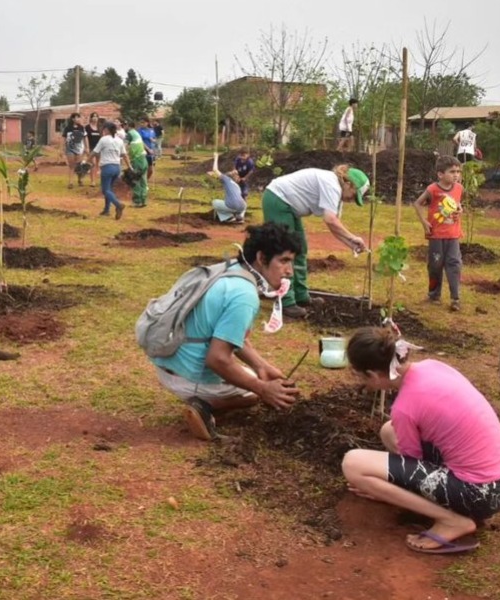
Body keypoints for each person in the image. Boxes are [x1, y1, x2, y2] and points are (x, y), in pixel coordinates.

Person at [341, 327, 500, 554]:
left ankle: (451, 520)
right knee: (389, 430)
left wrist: (381, 489)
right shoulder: (433, 366)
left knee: (353, 464)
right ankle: (453, 509)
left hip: (478, 495)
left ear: (373, 375)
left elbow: (411, 467)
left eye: (360, 377)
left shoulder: (405, 407)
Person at [150, 222, 303, 441]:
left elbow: (232, 337)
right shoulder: (244, 296)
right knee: (251, 393)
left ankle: (203, 395)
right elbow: (218, 359)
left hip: (168, 359)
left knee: (252, 378)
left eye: (292, 261)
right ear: (261, 258)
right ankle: (203, 407)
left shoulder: (231, 270)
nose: (289, 271)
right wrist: (262, 389)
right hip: (184, 374)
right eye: (284, 260)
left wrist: (262, 366)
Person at [262, 166, 369, 319]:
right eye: (353, 195)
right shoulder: (331, 185)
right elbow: (330, 220)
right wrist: (353, 237)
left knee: (300, 248)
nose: (351, 200)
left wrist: (351, 244)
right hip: (278, 199)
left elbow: (334, 226)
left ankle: (301, 295)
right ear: (348, 183)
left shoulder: (337, 192)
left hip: (289, 207)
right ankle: (286, 301)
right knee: (284, 251)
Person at [413, 156, 464, 311]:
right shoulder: (432, 190)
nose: (456, 175)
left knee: (454, 264)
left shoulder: (459, 188)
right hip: (436, 235)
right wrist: (424, 222)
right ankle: (434, 295)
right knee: (435, 265)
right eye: (452, 172)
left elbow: (458, 204)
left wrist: (460, 210)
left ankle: (455, 299)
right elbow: (417, 203)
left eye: (458, 171)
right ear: (440, 174)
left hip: (453, 235)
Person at [90, 122, 131, 220]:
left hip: (107, 167)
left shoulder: (103, 139)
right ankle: (106, 210)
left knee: (105, 190)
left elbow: (95, 152)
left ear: (107, 129)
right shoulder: (119, 140)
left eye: (104, 129)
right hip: (117, 168)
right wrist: (130, 166)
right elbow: (124, 155)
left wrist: (86, 161)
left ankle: (118, 205)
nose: (103, 130)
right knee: (109, 189)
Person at [124, 121, 149, 208]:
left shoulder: (129, 134)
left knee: (135, 180)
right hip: (143, 159)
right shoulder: (136, 133)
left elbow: (124, 147)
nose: (124, 127)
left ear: (128, 126)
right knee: (143, 180)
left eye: (125, 125)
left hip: (137, 159)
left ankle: (137, 201)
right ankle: (144, 200)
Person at [61, 112, 87, 188]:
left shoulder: (82, 128)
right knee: (71, 165)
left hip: (79, 149)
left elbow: (85, 138)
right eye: (75, 117)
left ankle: (80, 180)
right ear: (72, 119)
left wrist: (87, 147)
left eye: (78, 117)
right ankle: (71, 182)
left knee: (79, 165)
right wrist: (61, 149)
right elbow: (63, 138)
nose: (77, 119)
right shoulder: (68, 128)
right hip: (70, 149)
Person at [84, 113, 103, 187]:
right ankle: (92, 181)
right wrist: (86, 148)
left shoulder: (100, 127)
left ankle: (98, 180)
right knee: (93, 164)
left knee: (98, 165)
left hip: (99, 148)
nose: (95, 118)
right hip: (91, 148)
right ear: (91, 118)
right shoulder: (87, 127)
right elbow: (85, 138)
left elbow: (102, 137)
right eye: (93, 117)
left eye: (96, 117)